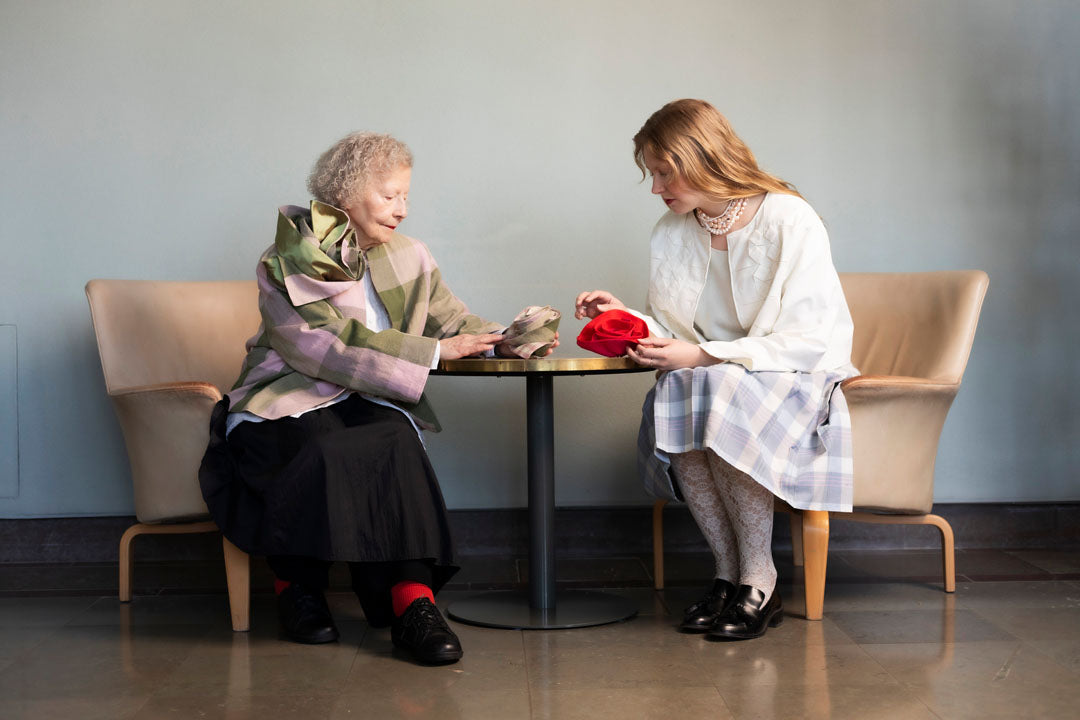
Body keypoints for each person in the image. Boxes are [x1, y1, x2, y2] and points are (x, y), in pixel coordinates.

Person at [199, 131, 556, 664]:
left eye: (406, 197)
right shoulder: (285, 257)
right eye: (390, 195)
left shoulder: (411, 256)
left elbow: (454, 323)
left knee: (395, 437)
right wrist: (435, 352)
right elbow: (315, 346)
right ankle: (297, 588)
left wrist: (512, 338)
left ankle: (414, 601)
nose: (403, 210)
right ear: (346, 192)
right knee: (320, 444)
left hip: (368, 399)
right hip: (283, 394)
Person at [575, 99, 856, 641]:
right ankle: (729, 576)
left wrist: (705, 357)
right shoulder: (671, 229)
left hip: (796, 372)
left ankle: (759, 576)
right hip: (719, 378)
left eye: (663, 171)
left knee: (711, 382)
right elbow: (676, 327)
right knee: (683, 383)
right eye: (651, 174)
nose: (656, 188)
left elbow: (809, 337)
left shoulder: (787, 216)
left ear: (701, 158)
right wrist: (624, 316)